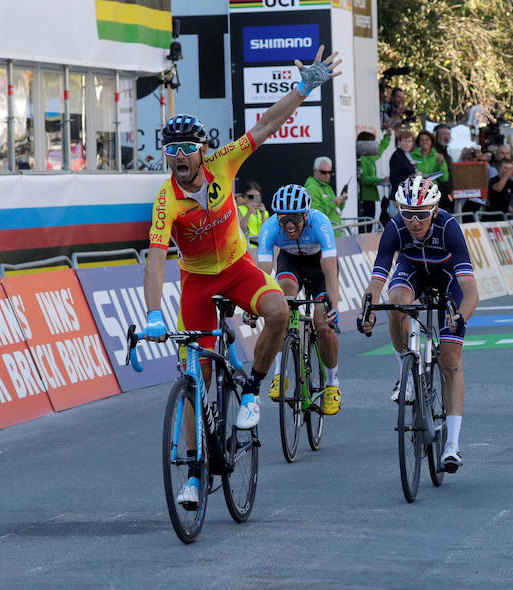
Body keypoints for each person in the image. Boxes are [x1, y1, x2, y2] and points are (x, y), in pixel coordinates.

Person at [143, 45, 341, 507]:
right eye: (170, 149)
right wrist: (154, 313)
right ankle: (193, 475)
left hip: (237, 269)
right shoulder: (164, 199)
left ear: (202, 151)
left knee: (279, 312)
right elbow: (154, 260)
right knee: (196, 379)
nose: (178, 156)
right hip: (196, 282)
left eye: (186, 148)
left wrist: (304, 87)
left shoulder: (223, 164)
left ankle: (252, 389)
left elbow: (267, 124)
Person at [358, 175, 479, 473]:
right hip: (412, 270)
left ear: (434, 211)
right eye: (407, 213)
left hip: (447, 277)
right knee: (396, 301)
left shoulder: (449, 228)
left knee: (451, 362)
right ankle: (405, 371)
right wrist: (368, 309)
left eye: (421, 214)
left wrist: (460, 316)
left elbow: (471, 292)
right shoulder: (396, 227)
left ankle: (452, 445)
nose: (414, 221)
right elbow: (377, 278)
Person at [256, 184, 343, 414]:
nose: (289, 224)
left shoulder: (320, 222)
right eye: (283, 218)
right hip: (291, 265)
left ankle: (333, 383)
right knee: (280, 305)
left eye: (295, 217)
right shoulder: (270, 228)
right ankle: (279, 374)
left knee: (322, 324)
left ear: (305, 214)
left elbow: (331, 271)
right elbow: (263, 274)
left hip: (319, 269)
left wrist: (333, 305)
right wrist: (253, 305)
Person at [357, 131, 391, 231]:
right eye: (372, 143)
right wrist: (380, 179)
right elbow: (362, 179)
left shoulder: (369, 156)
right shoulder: (361, 158)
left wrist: (387, 136)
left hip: (370, 197)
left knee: (369, 227)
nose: (374, 145)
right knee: (365, 229)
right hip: (363, 199)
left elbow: (380, 149)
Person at [305, 156, 346, 236]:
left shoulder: (327, 187)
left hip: (335, 234)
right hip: (324, 237)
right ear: (315, 171)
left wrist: (342, 202)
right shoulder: (311, 189)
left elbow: (336, 211)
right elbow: (315, 215)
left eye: (329, 172)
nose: (327, 175)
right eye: (323, 172)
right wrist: (333, 203)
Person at [387, 129, 418, 227]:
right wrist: (412, 176)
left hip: (406, 196)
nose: (407, 144)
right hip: (399, 197)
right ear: (399, 142)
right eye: (404, 141)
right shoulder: (397, 156)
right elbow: (394, 178)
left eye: (409, 141)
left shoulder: (406, 155)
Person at [433, 124, 455, 212]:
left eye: (448, 134)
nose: (446, 137)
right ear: (435, 135)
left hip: (447, 194)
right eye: (443, 134)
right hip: (437, 195)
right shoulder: (433, 152)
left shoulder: (446, 152)